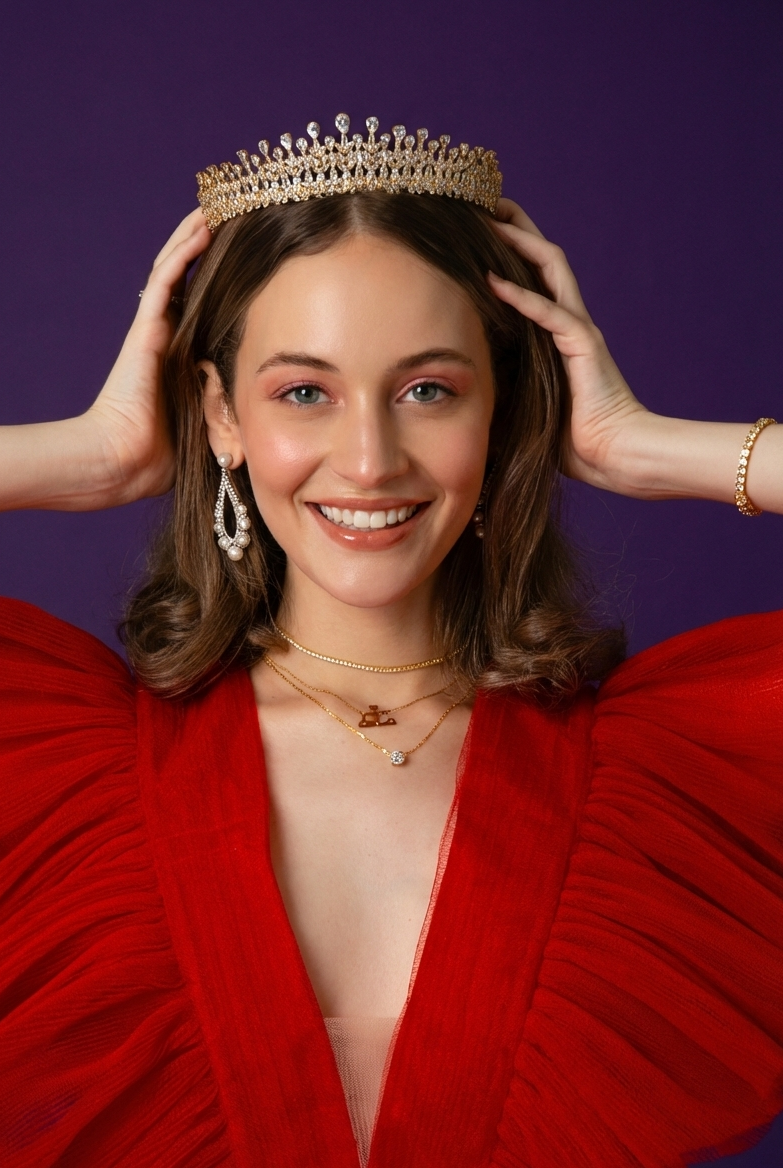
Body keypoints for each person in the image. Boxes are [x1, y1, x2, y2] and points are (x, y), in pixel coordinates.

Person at [0, 115, 781, 1168]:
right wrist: (78, 456)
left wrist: (651, 446)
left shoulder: (673, 779)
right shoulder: (57, 770)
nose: (368, 459)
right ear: (221, 414)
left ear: (504, 414)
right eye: (303, 393)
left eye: (429, 390)